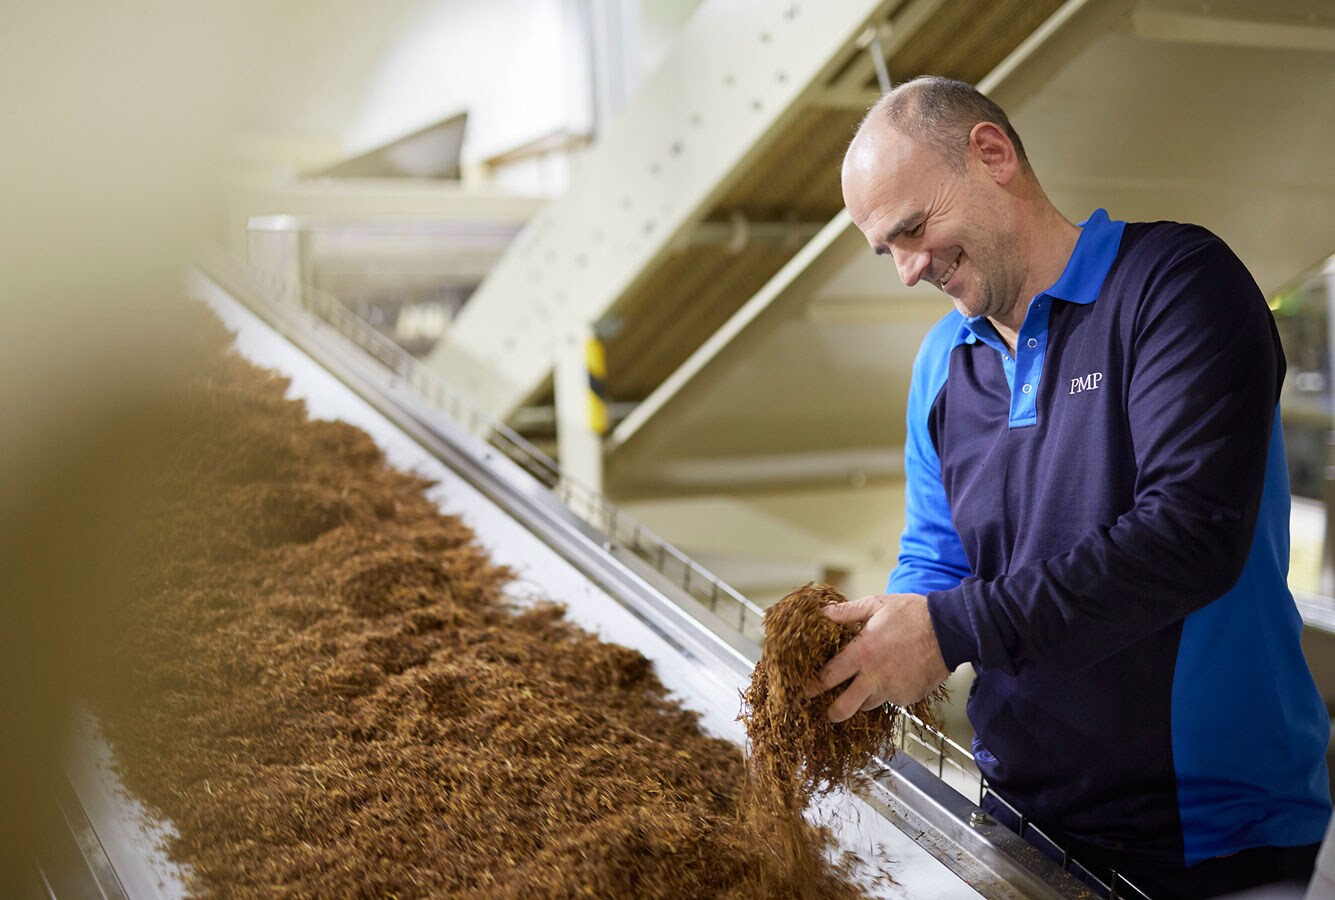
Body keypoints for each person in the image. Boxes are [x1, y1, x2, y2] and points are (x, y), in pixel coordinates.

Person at [813, 75, 1333, 899]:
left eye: (913, 229)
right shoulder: (941, 366)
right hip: (1023, 822)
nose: (908, 270)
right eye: (887, 251)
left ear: (991, 155)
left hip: (1210, 835)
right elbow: (938, 555)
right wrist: (873, 650)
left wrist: (946, 630)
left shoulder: (1177, 286)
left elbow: (1189, 535)